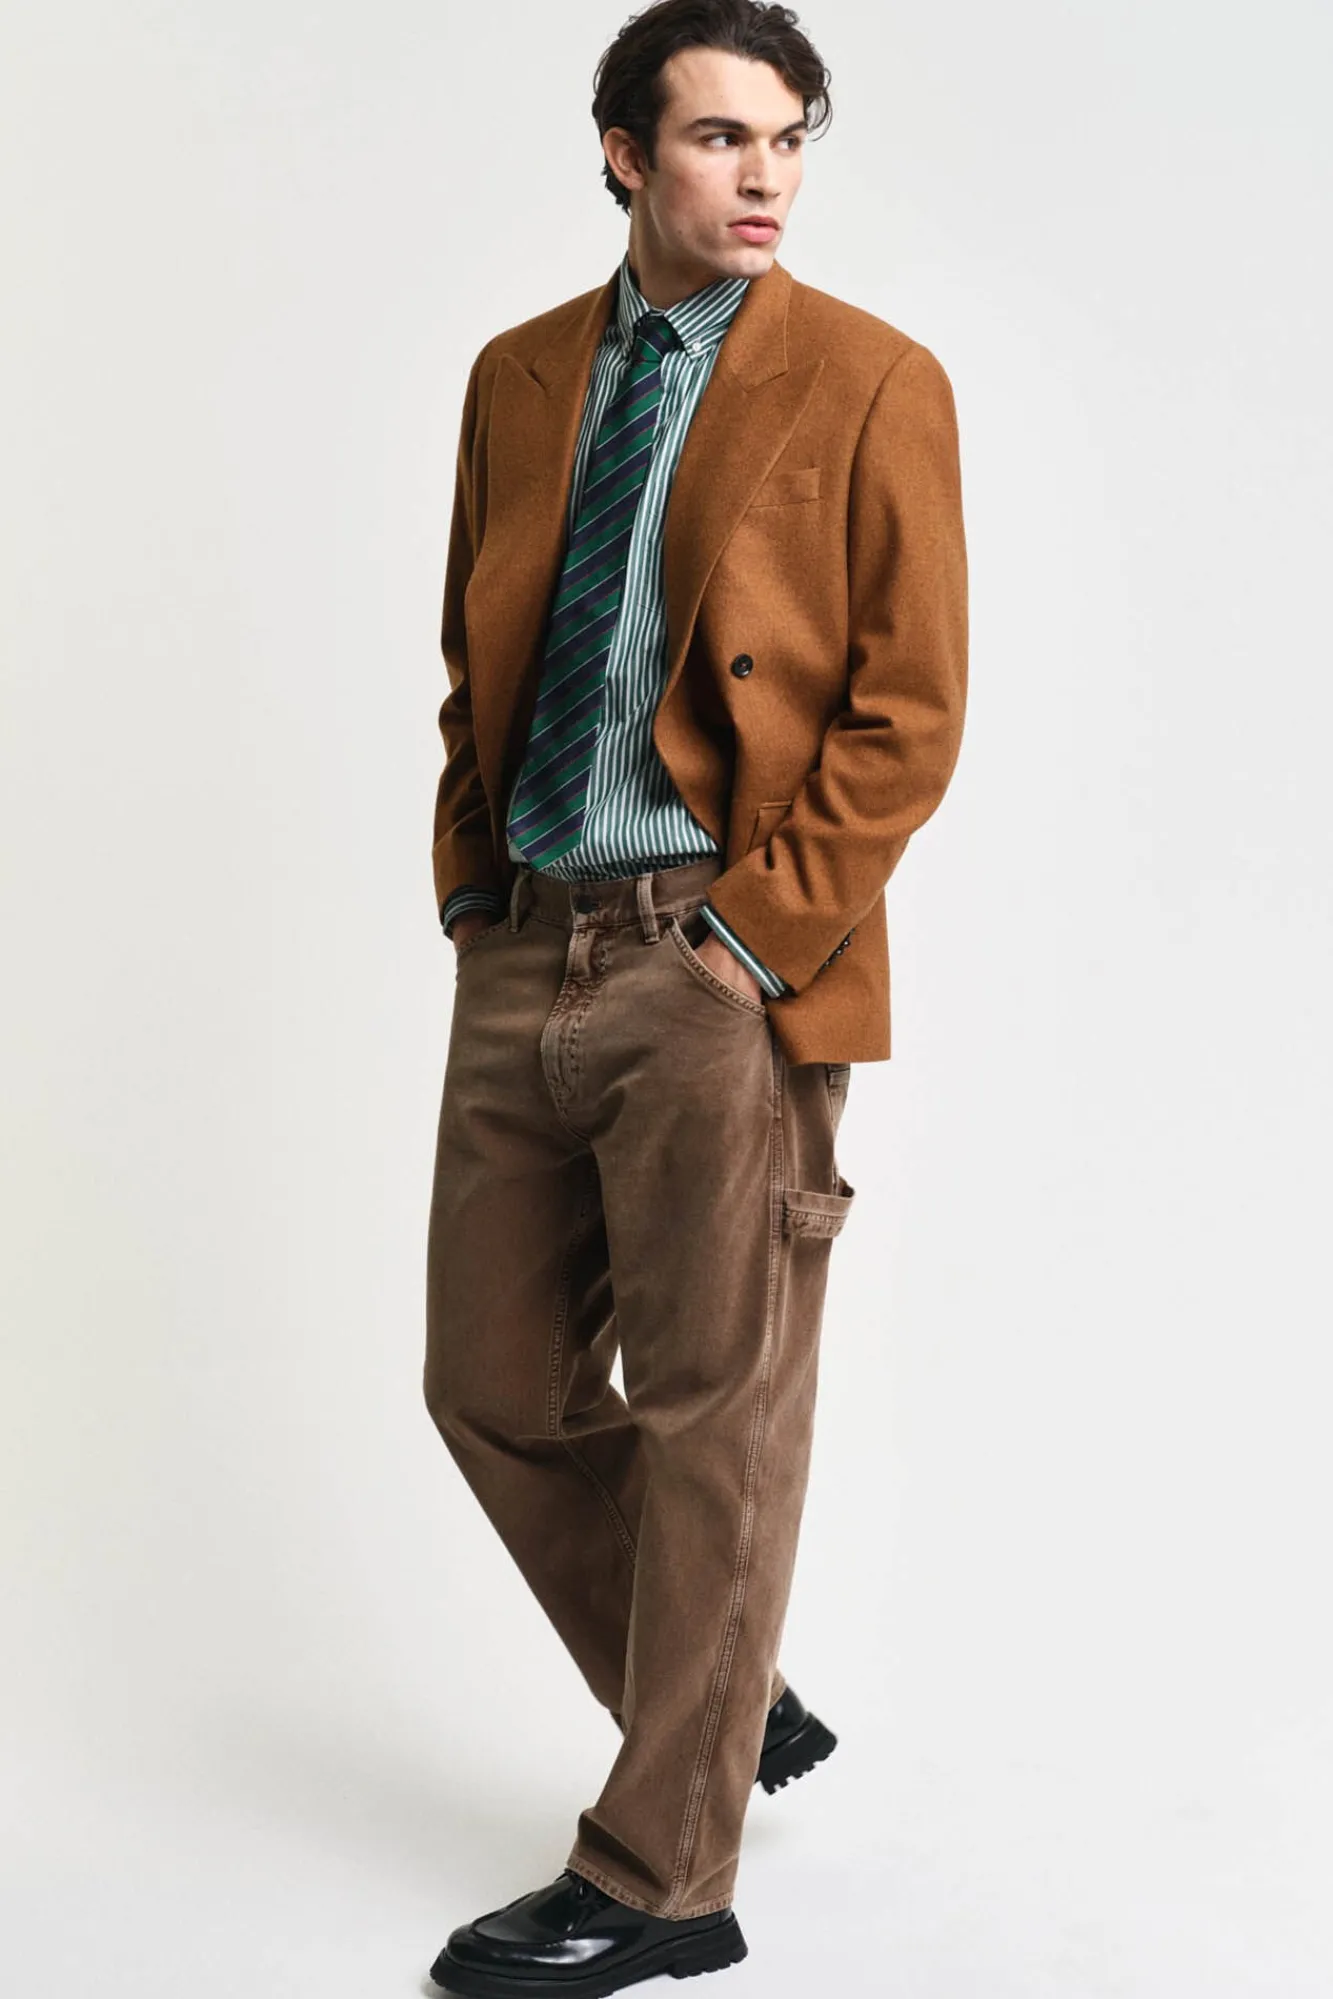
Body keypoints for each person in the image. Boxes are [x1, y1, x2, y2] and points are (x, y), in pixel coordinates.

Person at [422, 1, 968, 1989]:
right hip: (530, 936)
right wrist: (473, 880)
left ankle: (666, 1878)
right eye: (723, 137)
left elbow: (910, 708)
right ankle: (727, 1692)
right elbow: (477, 658)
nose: (765, 176)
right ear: (623, 152)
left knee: (712, 1421)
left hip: (716, 957)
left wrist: (751, 943)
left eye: (791, 138)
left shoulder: (871, 378)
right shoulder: (518, 376)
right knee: (489, 1386)